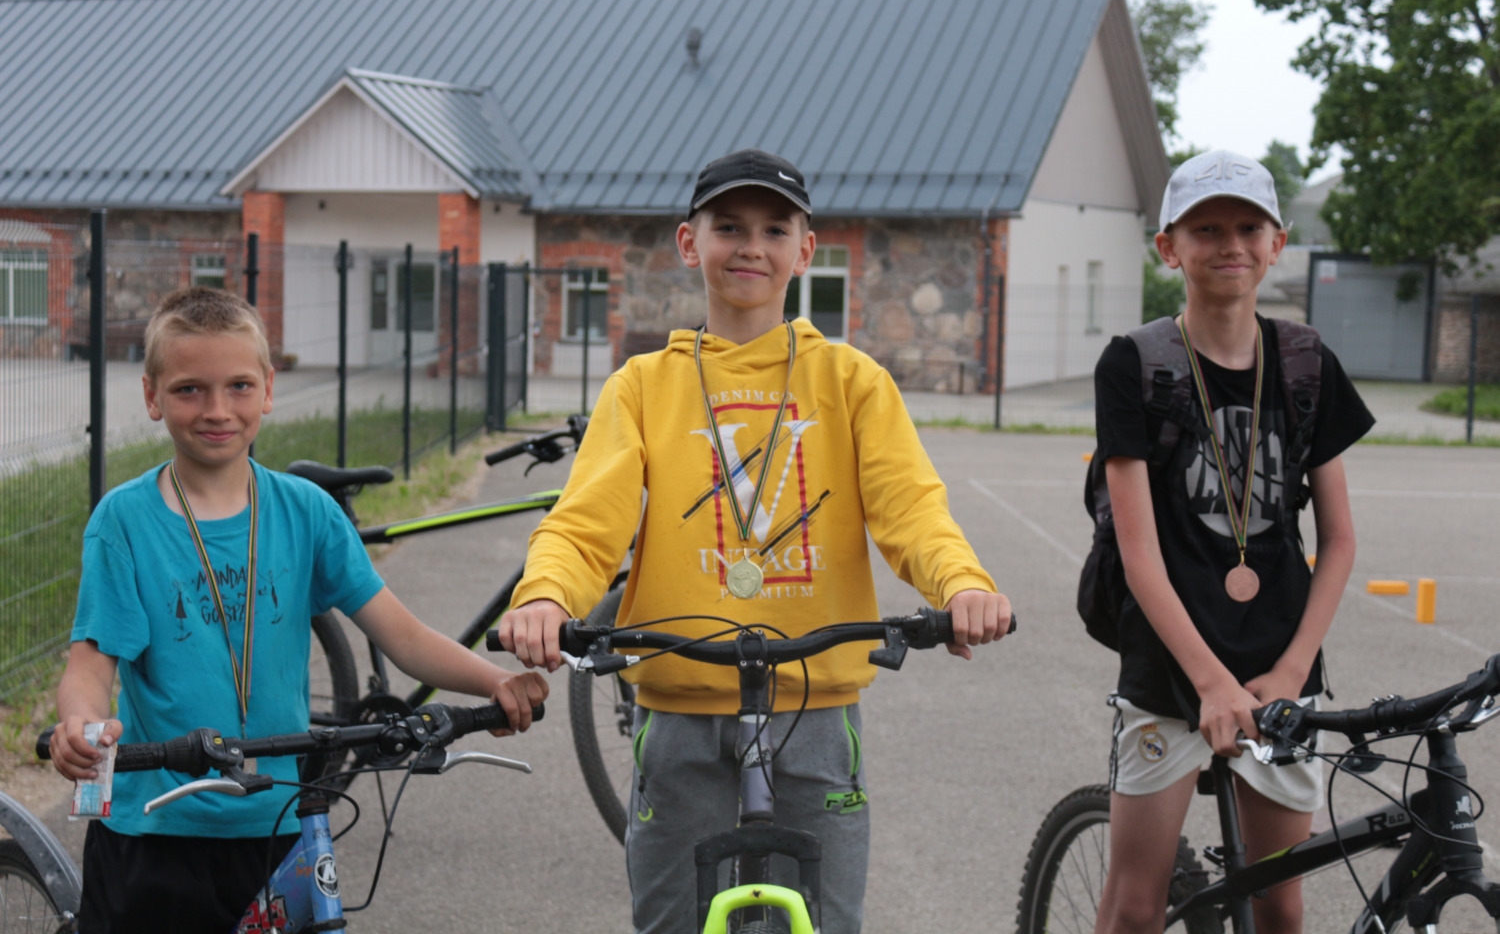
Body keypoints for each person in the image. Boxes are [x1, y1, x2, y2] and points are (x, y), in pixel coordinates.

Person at [497, 148, 1012, 933]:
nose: (751, 246)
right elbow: (585, 522)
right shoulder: (642, 387)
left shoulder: (850, 380)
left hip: (817, 700)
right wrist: (544, 596)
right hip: (678, 702)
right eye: (728, 226)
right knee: (670, 916)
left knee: (826, 919)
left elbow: (910, 507)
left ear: (805, 251)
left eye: (776, 229)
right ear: (687, 242)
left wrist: (961, 585)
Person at [49, 286, 548, 934]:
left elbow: (402, 635)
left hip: (279, 825)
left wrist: (496, 683)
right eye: (189, 390)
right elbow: (91, 663)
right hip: (158, 828)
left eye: (238, 386)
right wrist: (79, 724)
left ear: (268, 389)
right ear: (152, 396)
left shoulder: (305, 511)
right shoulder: (124, 522)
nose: (217, 410)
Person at [1092, 151, 1374, 934]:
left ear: (1278, 243)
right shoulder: (1136, 364)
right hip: (1171, 666)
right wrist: (1210, 684)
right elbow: (1141, 553)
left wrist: (1289, 669)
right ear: (1168, 246)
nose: (1230, 244)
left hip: (1279, 660)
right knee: (1137, 905)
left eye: (1249, 227)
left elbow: (1341, 540)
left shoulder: (1305, 363)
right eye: (1205, 228)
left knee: (1281, 902)